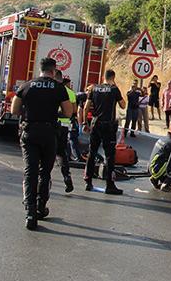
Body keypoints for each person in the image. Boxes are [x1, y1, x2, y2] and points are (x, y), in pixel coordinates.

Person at [11, 57, 73, 230]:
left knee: (30, 171)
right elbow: (68, 112)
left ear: (40, 69)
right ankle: (40, 207)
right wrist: (54, 110)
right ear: (53, 71)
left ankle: (29, 212)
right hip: (49, 133)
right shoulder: (59, 88)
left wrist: (30, 110)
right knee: (45, 172)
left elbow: (14, 110)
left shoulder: (26, 85)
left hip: (30, 132)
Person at [81, 69, 126, 195]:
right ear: (113, 77)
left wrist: (85, 123)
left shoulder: (94, 89)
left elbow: (86, 107)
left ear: (102, 77)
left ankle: (88, 181)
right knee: (110, 155)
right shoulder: (113, 89)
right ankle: (110, 185)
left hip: (95, 123)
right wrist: (116, 88)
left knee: (92, 152)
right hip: (108, 125)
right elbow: (123, 105)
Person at [53, 71, 76, 193]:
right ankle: (67, 178)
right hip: (64, 125)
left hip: (52, 124)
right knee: (62, 153)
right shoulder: (70, 93)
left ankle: (45, 181)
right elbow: (73, 110)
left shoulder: (53, 89)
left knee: (48, 152)